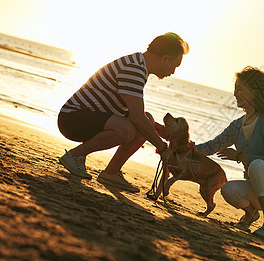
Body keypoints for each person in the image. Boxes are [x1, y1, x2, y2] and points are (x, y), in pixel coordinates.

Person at [57, 32, 189, 193]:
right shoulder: (134, 69)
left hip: (88, 116)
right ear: (165, 59)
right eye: (175, 65)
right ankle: (75, 155)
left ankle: (111, 173)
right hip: (72, 119)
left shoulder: (139, 65)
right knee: (128, 129)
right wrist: (163, 149)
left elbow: (137, 115)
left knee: (147, 119)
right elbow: (136, 118)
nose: (173, 72)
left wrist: (157, 128)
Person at [196, 66, 264, 241]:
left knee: (257, 165)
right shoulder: (237, 126)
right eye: (235, 90)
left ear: (254, 91)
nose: (235, 94)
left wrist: (239, 156)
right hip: (258, 187)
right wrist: (188, 147)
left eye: (240, 89)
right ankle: (251, 213)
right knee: (227, 190)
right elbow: (212, 146)